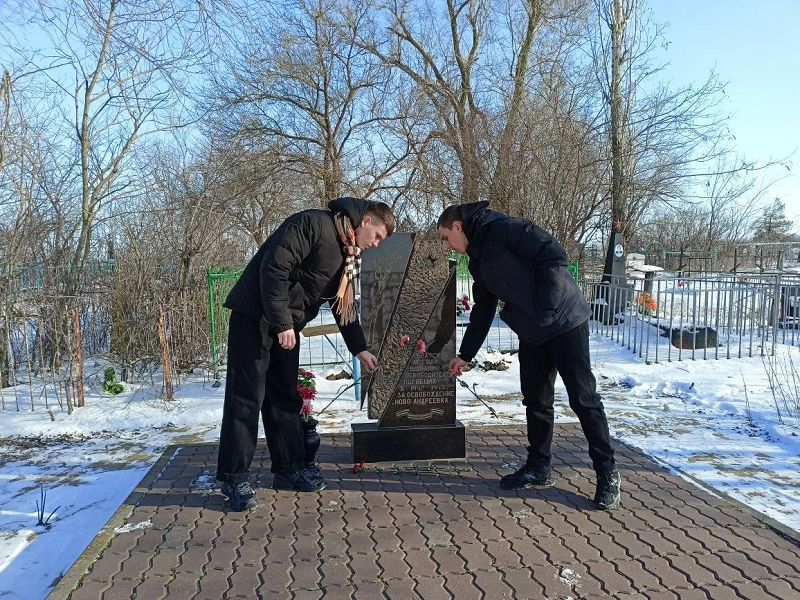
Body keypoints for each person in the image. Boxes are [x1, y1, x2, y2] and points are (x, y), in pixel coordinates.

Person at [437, 201, 620, 510]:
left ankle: (607, 472)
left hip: (565, 321)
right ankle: (538, 467)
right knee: (536, 401)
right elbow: (483, 309)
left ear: (458, 226)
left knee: (583, 398)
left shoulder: (504, 229)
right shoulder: (477, 260)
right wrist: (466, 354)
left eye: (446, 237)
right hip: (533, 331)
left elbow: (553, 253)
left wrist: (547, 305)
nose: (447, 245)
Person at [217, 197, 395, 510]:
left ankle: (288, 469)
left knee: (285, 396)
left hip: (286, 325)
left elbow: (343, 305)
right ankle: (234, 477)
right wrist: (282, 322)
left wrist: (360, 348)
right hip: (254, 317)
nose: (376, 244)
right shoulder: (312, 224)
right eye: (377, 236)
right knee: (246, 396)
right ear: (366, 221)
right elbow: (274, 269)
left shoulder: (349, 254)